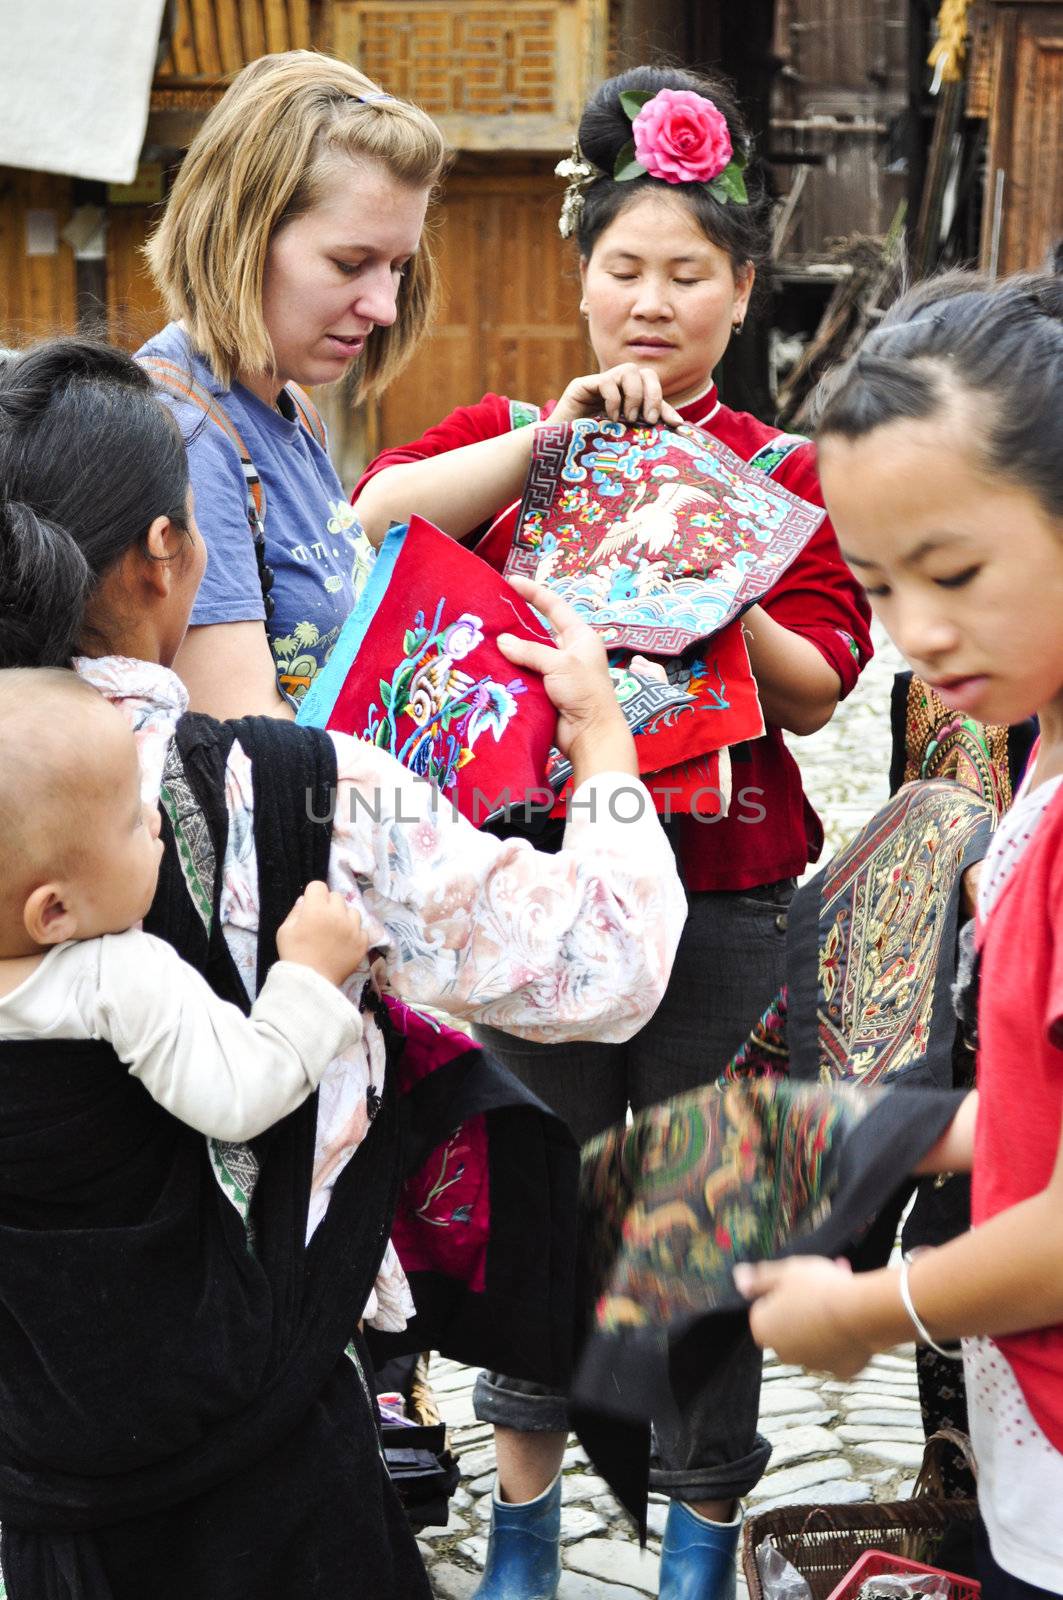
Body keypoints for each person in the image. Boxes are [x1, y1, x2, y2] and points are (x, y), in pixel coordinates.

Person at [0, 337, 686, 1600]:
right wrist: (599, 737)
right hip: (267, 1450)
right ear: (170, 552)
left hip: (41, 1458)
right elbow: (608, 963)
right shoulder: (301, 790)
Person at [354, 62, 873, 1600]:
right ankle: (523, 1535)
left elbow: (822, 686)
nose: (649, 302)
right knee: (539, 1221)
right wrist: (554, 446)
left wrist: (708, 544)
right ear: (581, 276)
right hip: (533, 896)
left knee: (696, 1226)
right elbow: (373, 524)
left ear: (739, 291)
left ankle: (700, 1540)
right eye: (623, 269)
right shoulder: (506, 438)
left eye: (685, 274)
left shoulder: (778, 478)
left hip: (722, 904)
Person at [736, 270, 1063, 1600]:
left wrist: (874, 1307)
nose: (911, 635)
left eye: (954, 573)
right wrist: (903, 1136)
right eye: (874, 587)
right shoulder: (1030, 760)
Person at [137, 50, 446, 719]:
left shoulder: (290, 406)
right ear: (239, 235)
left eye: (397, 267)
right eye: (349, 263)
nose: (384, 306)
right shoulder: (183, 435)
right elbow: (245, 738)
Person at [0, 667, 375, 1140]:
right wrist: (312, 976)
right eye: (132, 821)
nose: (155, 816)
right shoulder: (118, 978)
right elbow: (242, 1094)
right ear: (54, 912)